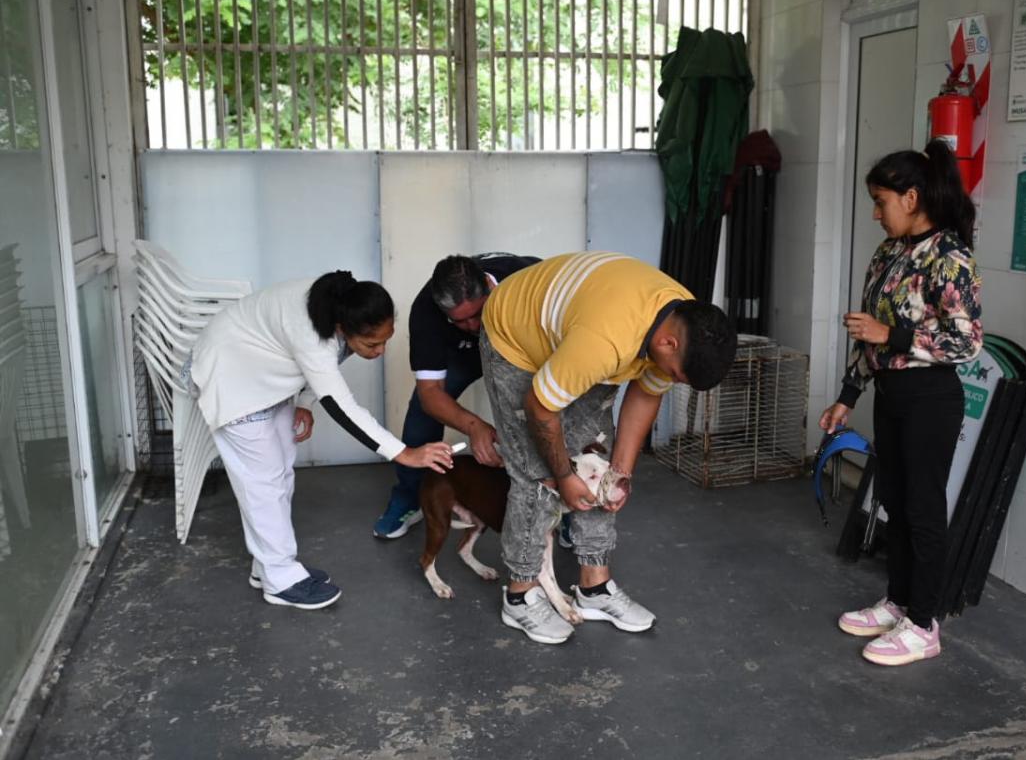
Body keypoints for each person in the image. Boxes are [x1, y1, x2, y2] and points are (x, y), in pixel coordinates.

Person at [479, 251, 737, 644]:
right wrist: (563, 476)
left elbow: (646, 394)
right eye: (676, 375)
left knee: (597, 461)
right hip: (515, 336)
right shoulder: (606, 341)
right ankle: (520, 594)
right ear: (667, 343)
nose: (674, 381)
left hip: (578, 332)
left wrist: (621, 472)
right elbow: (540, 406)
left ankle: (593, 588)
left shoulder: (683, 321)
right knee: (537, 472)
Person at [188, 272, 454, 610]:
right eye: (372, 344)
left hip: (265, 373)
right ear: (344, 329)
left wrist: (304, 403)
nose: (380, 351)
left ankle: (267, 565)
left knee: (281, 473)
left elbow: (324, 366)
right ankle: (280, 580)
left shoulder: (340, 307)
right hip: (232, 375)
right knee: (263, 484)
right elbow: (341, 404)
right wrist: (403, 453)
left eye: (386, 340)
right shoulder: (314, 333)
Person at [821, 139, 983, 666]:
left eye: (881, 200)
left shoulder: (950, 256)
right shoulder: (889, 252)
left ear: (911, 197)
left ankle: (924, 623)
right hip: (891, 395)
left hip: (931, 399)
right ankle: (898, 601)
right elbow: (870, 335)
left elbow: (965, 341)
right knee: (893, 498)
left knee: (923, 509)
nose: (876, 212)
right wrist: (848, 396)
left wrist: (890, 333)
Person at [373, 253, 540, 539]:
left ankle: (562, 507)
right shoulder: (426, 310)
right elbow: (431, 393)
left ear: (491, 288)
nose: (474, 326)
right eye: (460, 321)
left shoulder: (531, 280)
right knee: (422, 415)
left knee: (545, 410)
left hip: (522, 348)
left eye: (477, 314)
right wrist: (474, 426)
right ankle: (409, 495)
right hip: (462, 355)